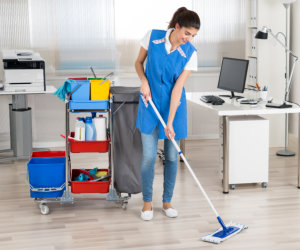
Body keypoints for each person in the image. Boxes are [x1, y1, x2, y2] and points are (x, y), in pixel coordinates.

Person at [135, 7, 200, 221]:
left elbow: (177, 89)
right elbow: (138, 63)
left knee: (172, 156)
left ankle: (167, 201)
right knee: (148, 157)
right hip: (149, 104)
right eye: (187, 33)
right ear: (177, 26)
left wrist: (170, 122)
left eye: (193, 36)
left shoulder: (190, 54)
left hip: (174, 108)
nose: (188, 39)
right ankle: (147, 203)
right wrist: (144, 82)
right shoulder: (152, 37)